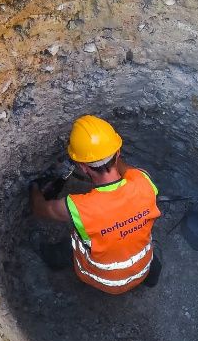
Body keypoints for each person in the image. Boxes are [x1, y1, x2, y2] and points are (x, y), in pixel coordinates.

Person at [30, 115, 162, 294]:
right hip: (143, 268)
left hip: (104, 281)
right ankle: (150, 281)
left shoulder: (77, 207)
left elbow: (40, 210)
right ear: (118, 153)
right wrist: (108, 157)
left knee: (76, 241)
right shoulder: (143, 182)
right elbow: (128, 170)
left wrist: (35, 188)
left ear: (83, 168)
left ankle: (49, 257)